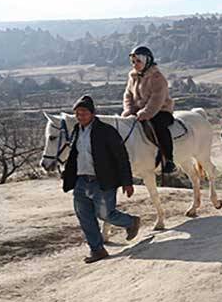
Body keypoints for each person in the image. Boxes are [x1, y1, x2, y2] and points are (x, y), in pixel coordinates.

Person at [64, 95, 140, 264]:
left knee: (105, 214)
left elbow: (121, 157)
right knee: (84, 216)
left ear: (92, 113)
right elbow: (74, 156)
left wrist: (127, 182)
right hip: (82, 181)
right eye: (77, 113)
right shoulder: (76, 130)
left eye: (83, 113)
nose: (80, 116)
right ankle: (97, 250)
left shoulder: (106, 131)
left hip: (103, 181)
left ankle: (131, 221)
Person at [122, 46, 177, 174]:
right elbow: (128, 95)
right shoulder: (132, 77)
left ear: (147, 61)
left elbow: (157, 100)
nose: (135, 64)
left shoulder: (157, 78)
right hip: (138, 112)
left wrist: (145, 114)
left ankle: (168, 160)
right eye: (133, 62)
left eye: (138, 61)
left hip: (160, 111)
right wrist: (129, 110)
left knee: (159, 126)